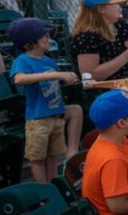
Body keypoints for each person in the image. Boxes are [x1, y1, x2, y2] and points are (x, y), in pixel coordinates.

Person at [8, 18, 82, 183]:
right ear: (30, 40)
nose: (49, 39)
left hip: (55, 116)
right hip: (38, 119)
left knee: (53, 157)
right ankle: (44, 191)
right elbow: (19, 79)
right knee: (37, 160)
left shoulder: (49, 61)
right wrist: (57, 75)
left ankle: (54, 189)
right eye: (44, 36)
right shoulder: (23, 60)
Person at [71, 0, 128, 82]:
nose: (120, 8)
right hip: (103, 91)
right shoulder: (85, 36)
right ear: (101, 9)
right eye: (115, 4)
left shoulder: (120, 24)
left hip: (126, 83)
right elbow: (90, 76)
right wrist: (125, 57)